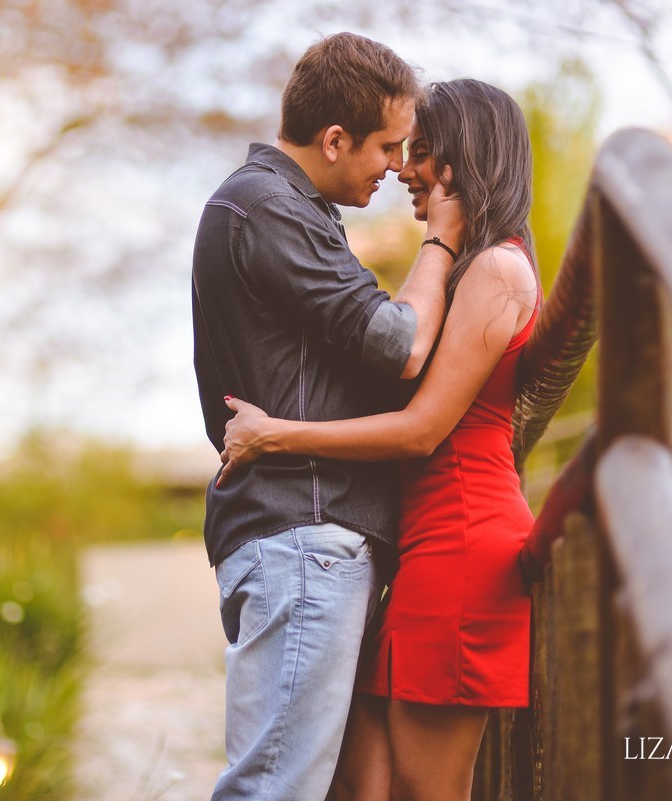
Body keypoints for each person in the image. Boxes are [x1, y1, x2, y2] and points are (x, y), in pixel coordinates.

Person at [218, 78, 539, 801]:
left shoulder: (496, 269)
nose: (402, 170)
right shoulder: (464, 266)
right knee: (362, 785)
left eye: (419, 153)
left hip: (460, 543)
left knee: (427, 790)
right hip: (423, 548)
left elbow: (424, 431)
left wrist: (275, 435)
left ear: (464, 161)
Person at [191, 33, 466, 801]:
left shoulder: (270, 207)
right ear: (335, 138)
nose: (394, 167)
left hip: (293, 539)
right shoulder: (269, 208)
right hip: (303, 539)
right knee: (272, 790)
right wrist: (442, 239)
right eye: (385, 146)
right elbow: (401, 341)